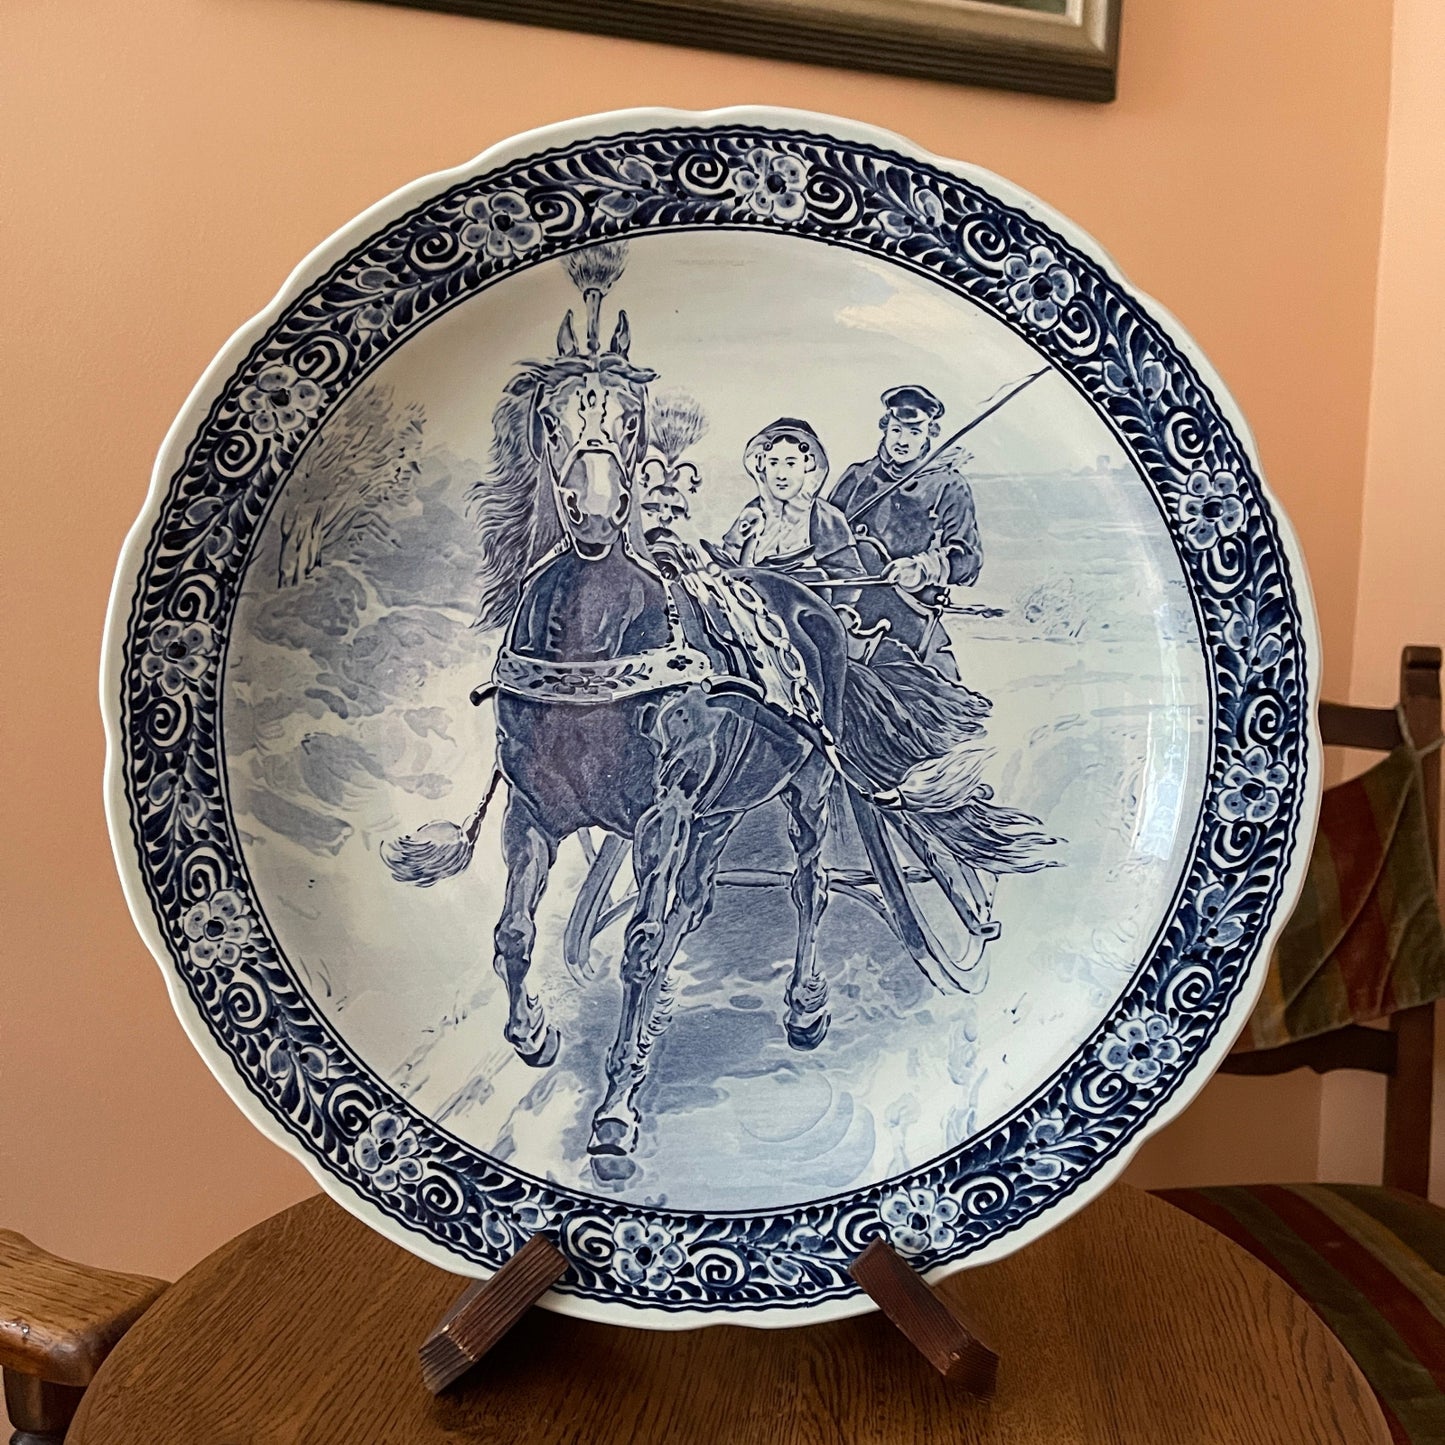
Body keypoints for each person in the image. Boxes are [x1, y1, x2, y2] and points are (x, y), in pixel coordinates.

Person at [828, 385, 981, 681]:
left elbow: (968, 559)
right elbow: (822, 533)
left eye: (914, 432)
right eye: (897, 430)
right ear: (885, 427)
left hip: (909, 615)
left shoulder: (948, 485)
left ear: (930, 433)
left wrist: (923, 568)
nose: (902, 441)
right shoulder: (857, 476)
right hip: (843, 609)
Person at [720, 418, 865, 600]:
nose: (781, 475)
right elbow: (727, 565)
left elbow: (848, 575)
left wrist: (842, 611)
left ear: (808, 464)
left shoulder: (825, 516)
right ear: (761, 464)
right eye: (773, 463)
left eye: (790, 464)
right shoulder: (751, 514)